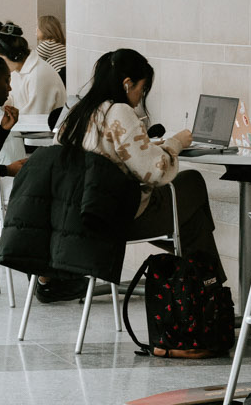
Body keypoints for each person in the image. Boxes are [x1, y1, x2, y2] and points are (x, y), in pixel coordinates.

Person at [37, 48, 223, 301]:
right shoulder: (119, 112)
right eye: (141, 89)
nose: (140, 98)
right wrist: (176, 143)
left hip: (74, 218)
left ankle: (206, 287)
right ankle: (209, 290)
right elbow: (156, 172)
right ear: (127, 84)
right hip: (114, 218)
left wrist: (150, 147)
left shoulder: (77, 114)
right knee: (192, 184)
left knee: (192, 221)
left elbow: (109, 156)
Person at [0, 30, 64, 130]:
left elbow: (35, 117)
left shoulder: (39, 74)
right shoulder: (16, 70)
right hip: (25, 132)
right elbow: (11, 101)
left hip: (42, 137)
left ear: (12, 56)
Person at [34, 15, 67, 85]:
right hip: (64, 75)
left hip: (58, 76)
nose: (35, 29)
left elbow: (31, 61)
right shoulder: (60, 43)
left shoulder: (47, 45)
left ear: (45, 30)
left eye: (37, 27)